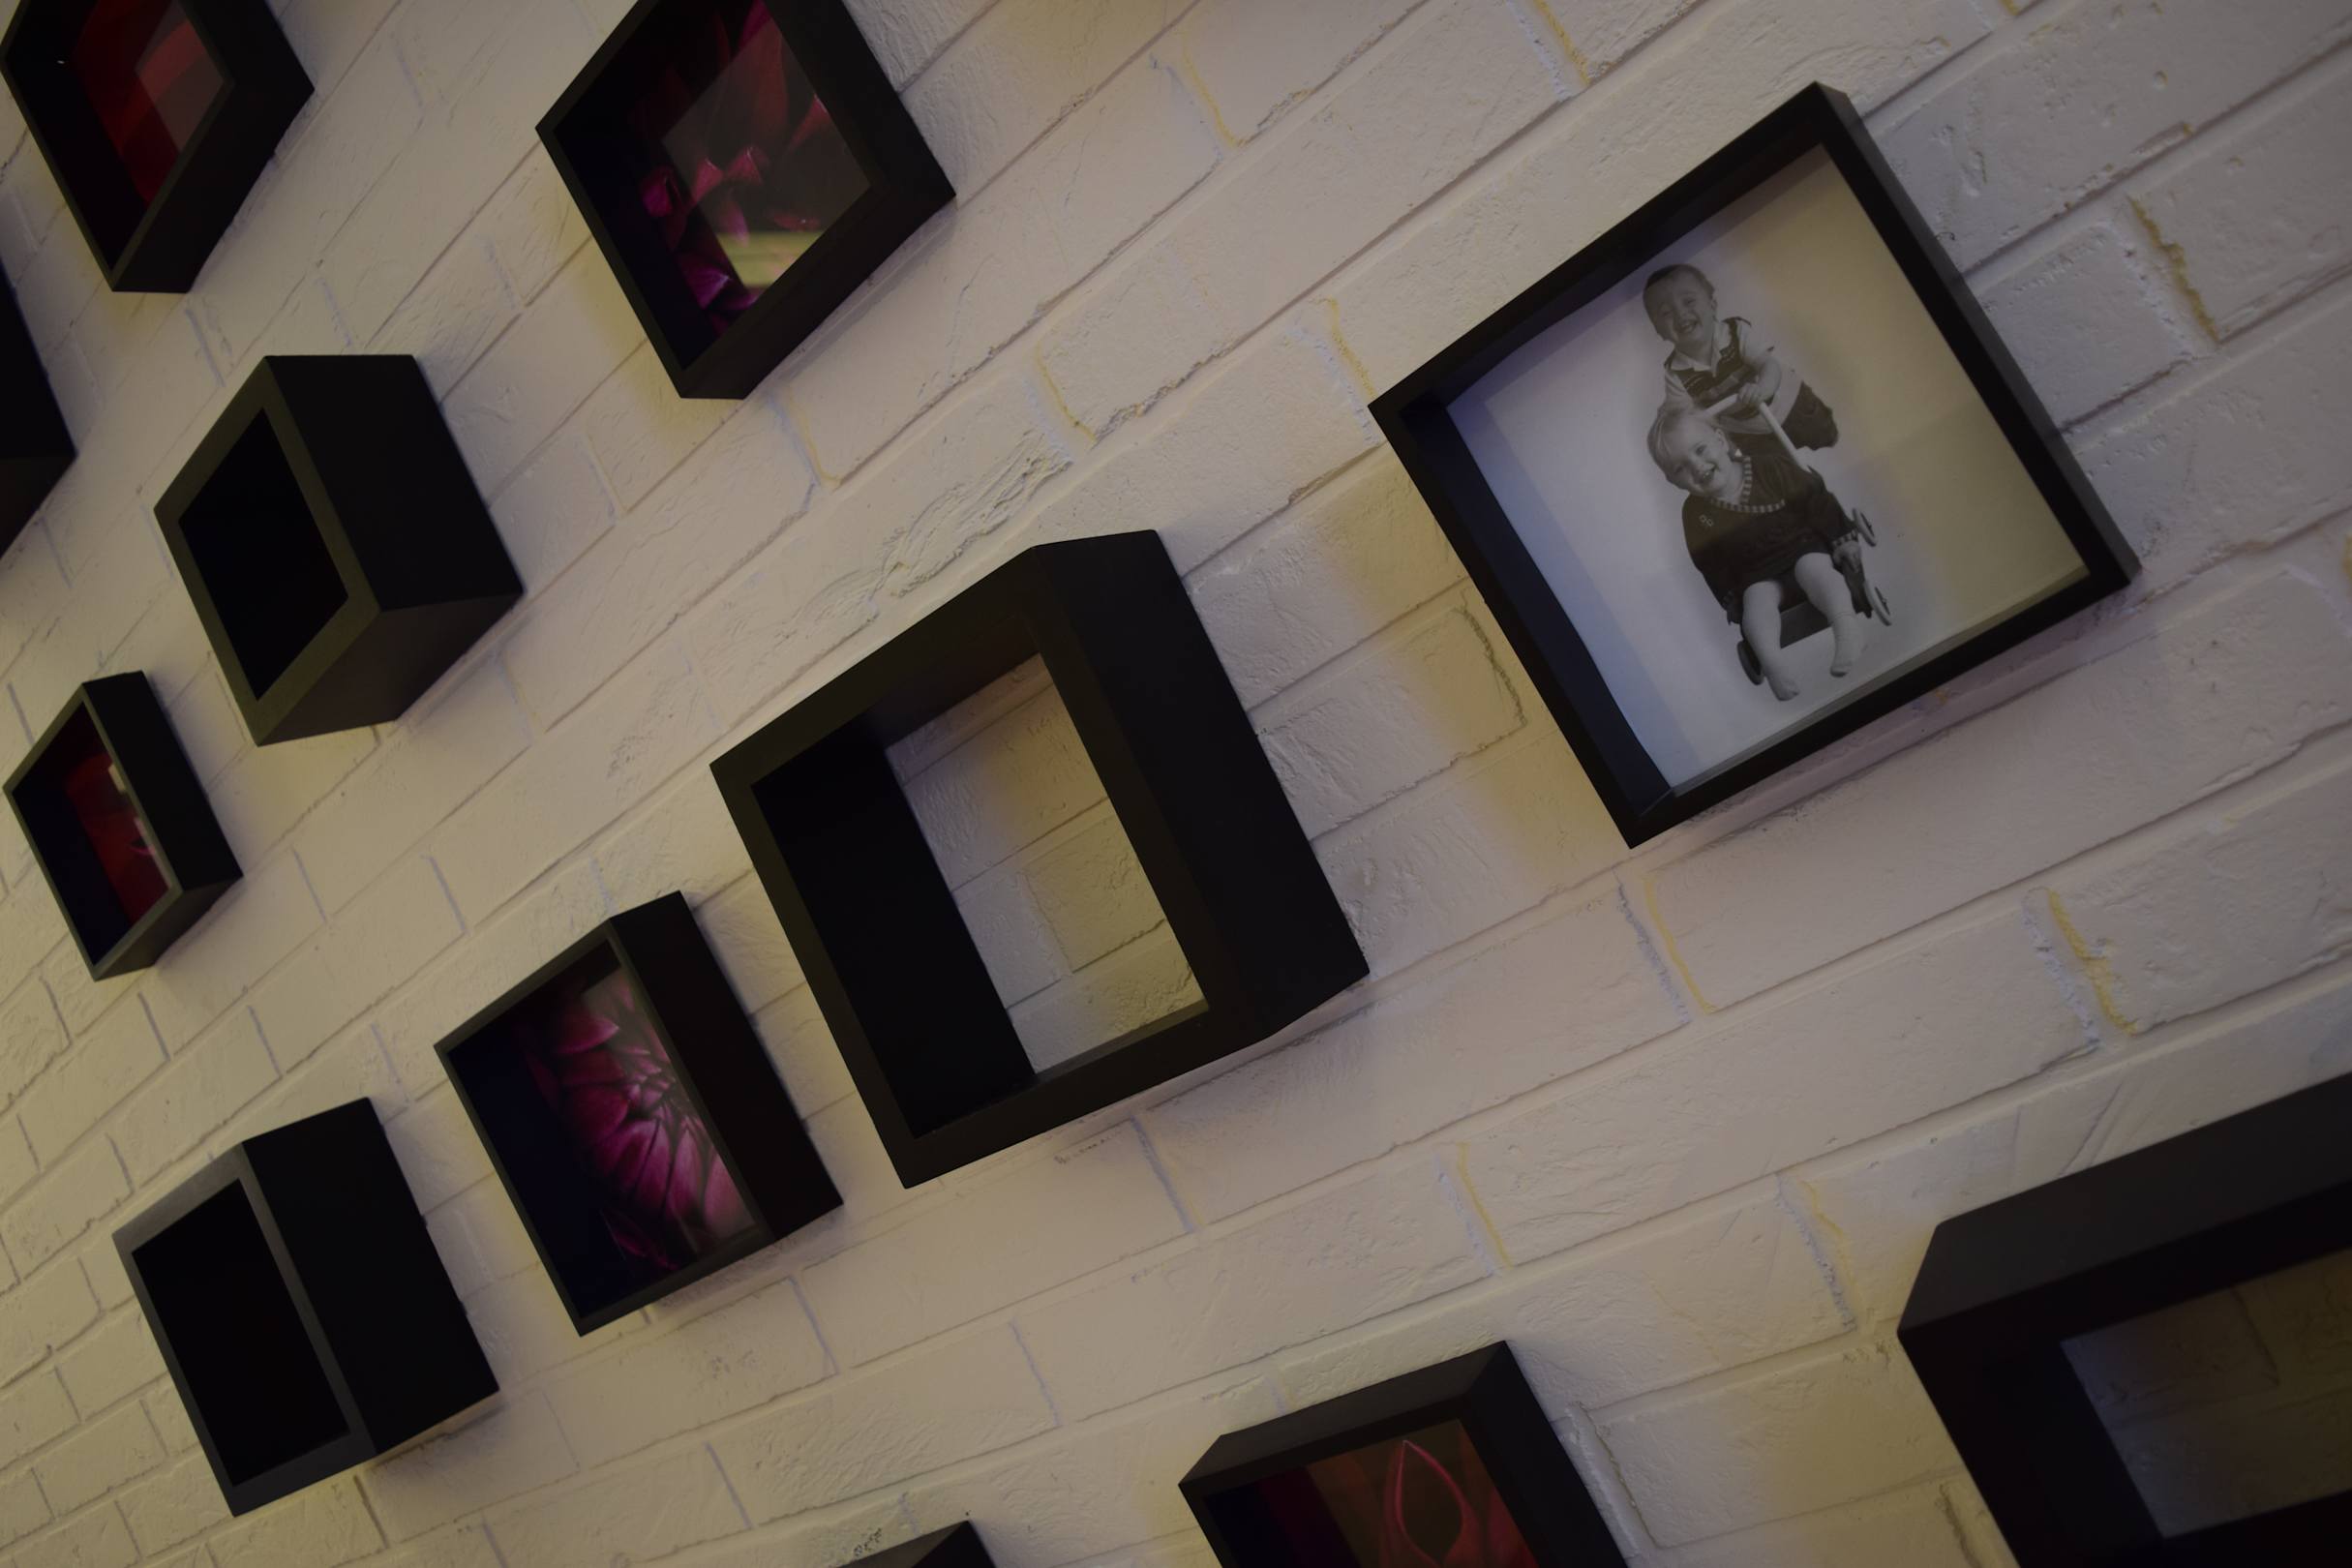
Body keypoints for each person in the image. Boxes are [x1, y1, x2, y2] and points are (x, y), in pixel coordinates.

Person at [1647, 405, 1864, 701]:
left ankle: (1846, 627)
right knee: (1756, 606)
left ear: (1720, 441)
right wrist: (1730, 598)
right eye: (1680, 468)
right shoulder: (1696, 514)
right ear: (1672, 482)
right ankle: (1773, 664)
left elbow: (1815, 499)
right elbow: (1709, 562)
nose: (1696, 466)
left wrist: (1842, 539)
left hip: (1803, 548)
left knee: (1817, 571)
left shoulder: (1768, 468)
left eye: (1700, 450)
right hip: (1758, 575)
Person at [1643, 263, 1839, 455]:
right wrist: (1668, 419)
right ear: (1658, 330)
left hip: (1788, 401)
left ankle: (1827, 438)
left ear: (1712, 305)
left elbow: (1767, 364)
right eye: (1666, 313)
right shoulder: (1675, 373)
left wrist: (1762, 388)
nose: (1680, 314)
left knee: (1823, 434)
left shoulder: (1735, 332)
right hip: (1749, 431)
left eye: (1688, 301)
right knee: (1772, 465)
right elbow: (1679, 413)